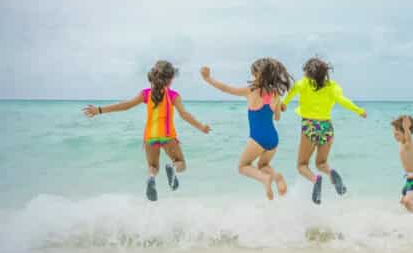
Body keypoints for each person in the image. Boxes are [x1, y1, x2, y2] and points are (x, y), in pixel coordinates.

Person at [83, 60, 210, 201]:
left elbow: (126, 105)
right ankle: (172, 169)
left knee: (153, 167)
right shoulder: (174, 95)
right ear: (170, 79)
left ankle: (151, 178)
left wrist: (100, 110)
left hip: (150, 137)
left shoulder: (146, 94)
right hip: (168, 136)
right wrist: (201, 127)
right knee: (180, 162)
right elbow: (184, 115)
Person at [200, 58, 292, 200]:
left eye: (253, 74)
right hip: (273, 139)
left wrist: (208, 79)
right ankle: (276, 176)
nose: (252, 77)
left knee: (243, 166)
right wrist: (279, 107)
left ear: (259, 75)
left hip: (257, 137)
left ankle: (265, 179)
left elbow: (226, 88)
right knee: (263, 164)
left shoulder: (251, 91)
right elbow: (277, 117)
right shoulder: (275, 94)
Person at [281, 57, 366, 204]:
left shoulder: (303, 83)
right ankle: (330, 173)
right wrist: (359, 111)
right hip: (327, 127)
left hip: (310, 126)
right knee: (321, 163)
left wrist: (282, 105)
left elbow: (288, 98)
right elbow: (343, 101)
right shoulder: (333, 87)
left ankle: (316, 180)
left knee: (302, 165)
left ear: (307, 72)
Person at [391, 115, 413, 214]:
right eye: (393, 134)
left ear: (406, 133)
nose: (394, 136)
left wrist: (406, 127)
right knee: (403, 202)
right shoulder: (401, 144)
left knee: (407, 202)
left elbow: (409, 137)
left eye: (397, 134)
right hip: (410, 178)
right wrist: (397, 123)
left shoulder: (409, 143)